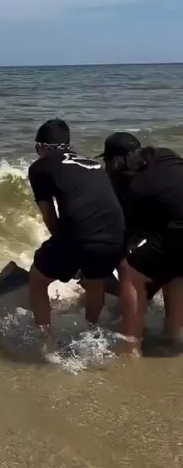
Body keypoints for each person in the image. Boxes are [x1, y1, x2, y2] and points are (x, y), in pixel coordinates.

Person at [27, 119, 125, 347]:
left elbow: (49, 215)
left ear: (41, 146)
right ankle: (92, 334)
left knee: (37, 279)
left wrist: (63, 247)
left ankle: (45, 339)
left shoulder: (40, 167)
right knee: (95, 281)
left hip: (82, 237)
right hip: (116, 238)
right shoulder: (93, 163)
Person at [102, 142, 183, 356]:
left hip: (177, 232)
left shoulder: (137, 189)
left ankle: (131, 346)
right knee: (174, 270)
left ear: (119, 162)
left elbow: (127, 238)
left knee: (129, 272)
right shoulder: (165, 153)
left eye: (108, 161)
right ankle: (173, 334)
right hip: (176, 229)